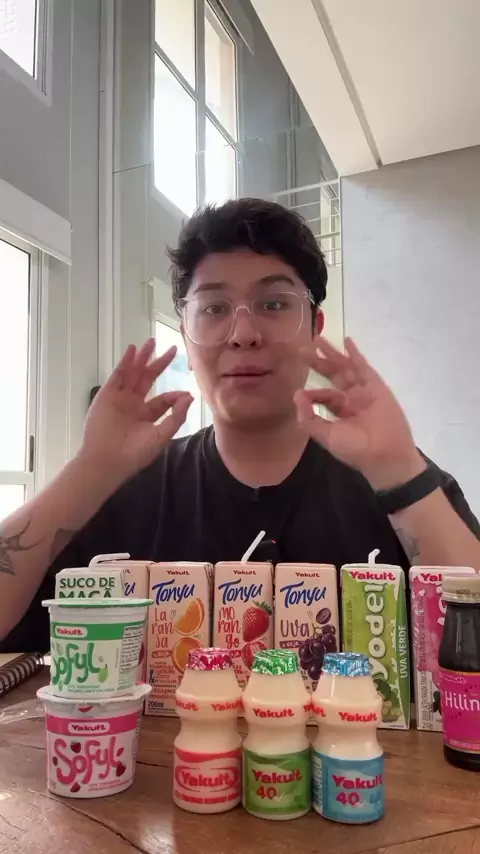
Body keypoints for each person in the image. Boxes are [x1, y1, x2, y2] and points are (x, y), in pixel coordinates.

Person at [1, 198, 479, 653]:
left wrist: (401, 472)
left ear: (315, 327)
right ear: (185, 336)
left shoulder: (392, 476)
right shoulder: (128, 488)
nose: (244, 335)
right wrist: (89, 471)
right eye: (214, 309)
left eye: (273, 304)